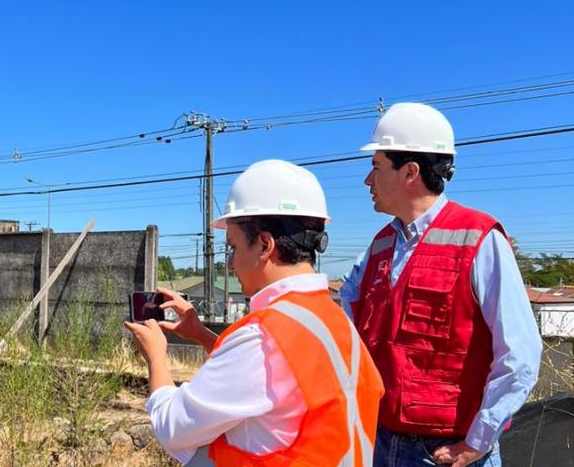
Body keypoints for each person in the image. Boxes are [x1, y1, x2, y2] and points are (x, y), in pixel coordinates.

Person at [126, 159, 384, 466]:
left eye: (233, 247)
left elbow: (174, 428)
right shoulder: (334, 321)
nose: (232, 264)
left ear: (264, 245)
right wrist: (200, 334)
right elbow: (277, 379)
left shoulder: (264, 337)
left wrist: (156, 357)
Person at [339, 103, 542, 467]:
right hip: (381, 442)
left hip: (447, 452)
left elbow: (520, 353)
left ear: (410, 172)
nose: (367, 181)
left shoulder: (479, 238)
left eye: (375, 167)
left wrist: (478, 441)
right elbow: (347, 321)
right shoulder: (380, 245)